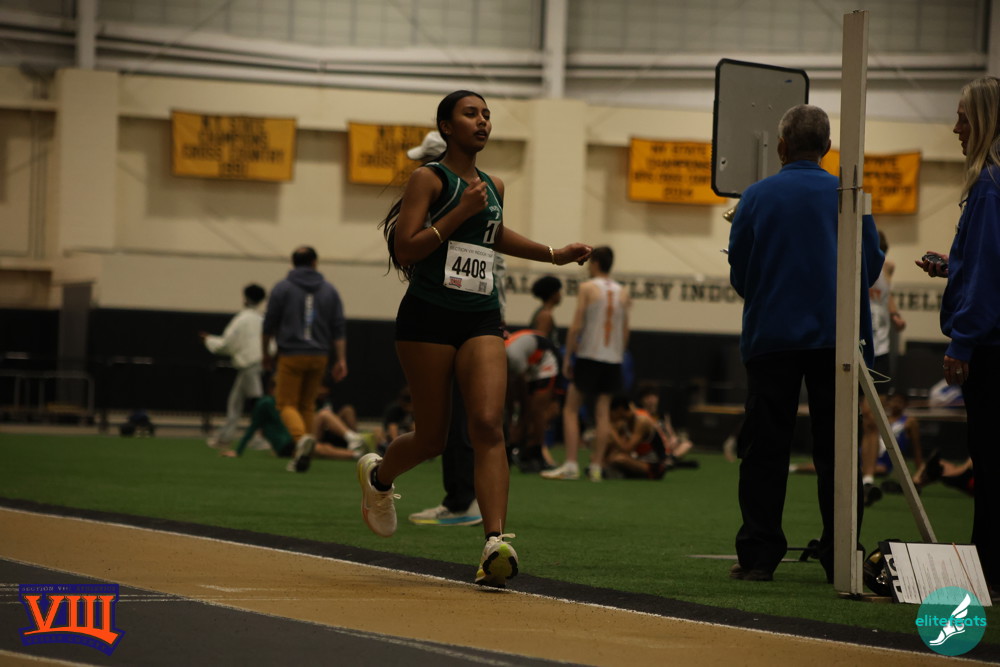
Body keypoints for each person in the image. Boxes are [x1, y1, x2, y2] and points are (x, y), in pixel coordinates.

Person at [356, 89, 592, 588]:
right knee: (432, 438)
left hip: (481, 316)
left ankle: (495, 544)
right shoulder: (429, 179)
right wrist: (458, 212)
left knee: (488, 424)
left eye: (487, 114)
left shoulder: (492, 185)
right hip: (427, 318)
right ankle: (378, 478)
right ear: (446, 126)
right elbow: (407, 249)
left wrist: (554, 254)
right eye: (471, 114)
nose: (482, 121)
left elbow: (494, 234)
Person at [727, 104, 884, 583]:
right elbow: (870, 263)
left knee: (764, 449)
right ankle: (841, 553)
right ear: (827, 147)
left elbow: (740, 272)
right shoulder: (849, 195)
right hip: (836, 338)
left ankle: (759, 557)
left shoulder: (755, 197)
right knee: (838, 451)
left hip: (771, 337)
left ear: (781, 146)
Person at [915, 75, 1000, 595]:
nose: (955, 129)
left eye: (963, 118)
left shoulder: (987, 186)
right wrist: (954, 265)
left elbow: (988, 275)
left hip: (989, 349)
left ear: (984, 121)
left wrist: (962, 341)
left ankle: (988, 569)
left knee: (988, 461)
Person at [543, 246, 630, 482]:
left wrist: (568, 356)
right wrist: (619, 355)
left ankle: (571, 464)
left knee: (571, 408)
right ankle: (596, 467)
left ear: (595, 263)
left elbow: (576, 325)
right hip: (612, 357)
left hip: (589, 354)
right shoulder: (623, 292)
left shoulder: (588, 288)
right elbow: (625, 330)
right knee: (603, 413)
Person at [262, 246, 348, 473]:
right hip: (319, 354)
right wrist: (341, 359)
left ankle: (301, 440)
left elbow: (269, 324)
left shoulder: (283, 288)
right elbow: (338, 327)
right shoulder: (329, 290)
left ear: (293, 263)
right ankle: (304, 454)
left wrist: (265, 353)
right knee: (307, 405)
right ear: (314, 263)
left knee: (286, 404)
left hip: (291, 353)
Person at [200, 283, 266, 448]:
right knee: (235, 403)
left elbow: (227, 344)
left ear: (245, 298)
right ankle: (224, 437)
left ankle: (262, 438)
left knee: (257, 403)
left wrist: (209, 340)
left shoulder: (242, 320)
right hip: (255, 365)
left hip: (249, 365)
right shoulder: (261, 320)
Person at [505, 328, 560, 471]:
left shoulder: (513, 356)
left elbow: (522, 392)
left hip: (544, 362)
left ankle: (535, 453)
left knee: (535, 411)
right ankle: (513, 449)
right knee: (515, 410)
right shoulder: (504, 358)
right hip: (528, 361)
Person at [605, 395, 671, 480]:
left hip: (656, 467)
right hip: (639, 460)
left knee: (619, 458)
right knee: (612, 456)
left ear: (620, 409)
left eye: (610, 412)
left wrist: (613, 430)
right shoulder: (625, 422)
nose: (609, 416)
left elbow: (627, 449)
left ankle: (620, 473)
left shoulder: (641, 421)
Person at [529, 275, 563, 348]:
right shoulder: (545, 315)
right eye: (558, 291)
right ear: (553, 294)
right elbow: (541, 343)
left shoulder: (544, 312)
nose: (560, 294)